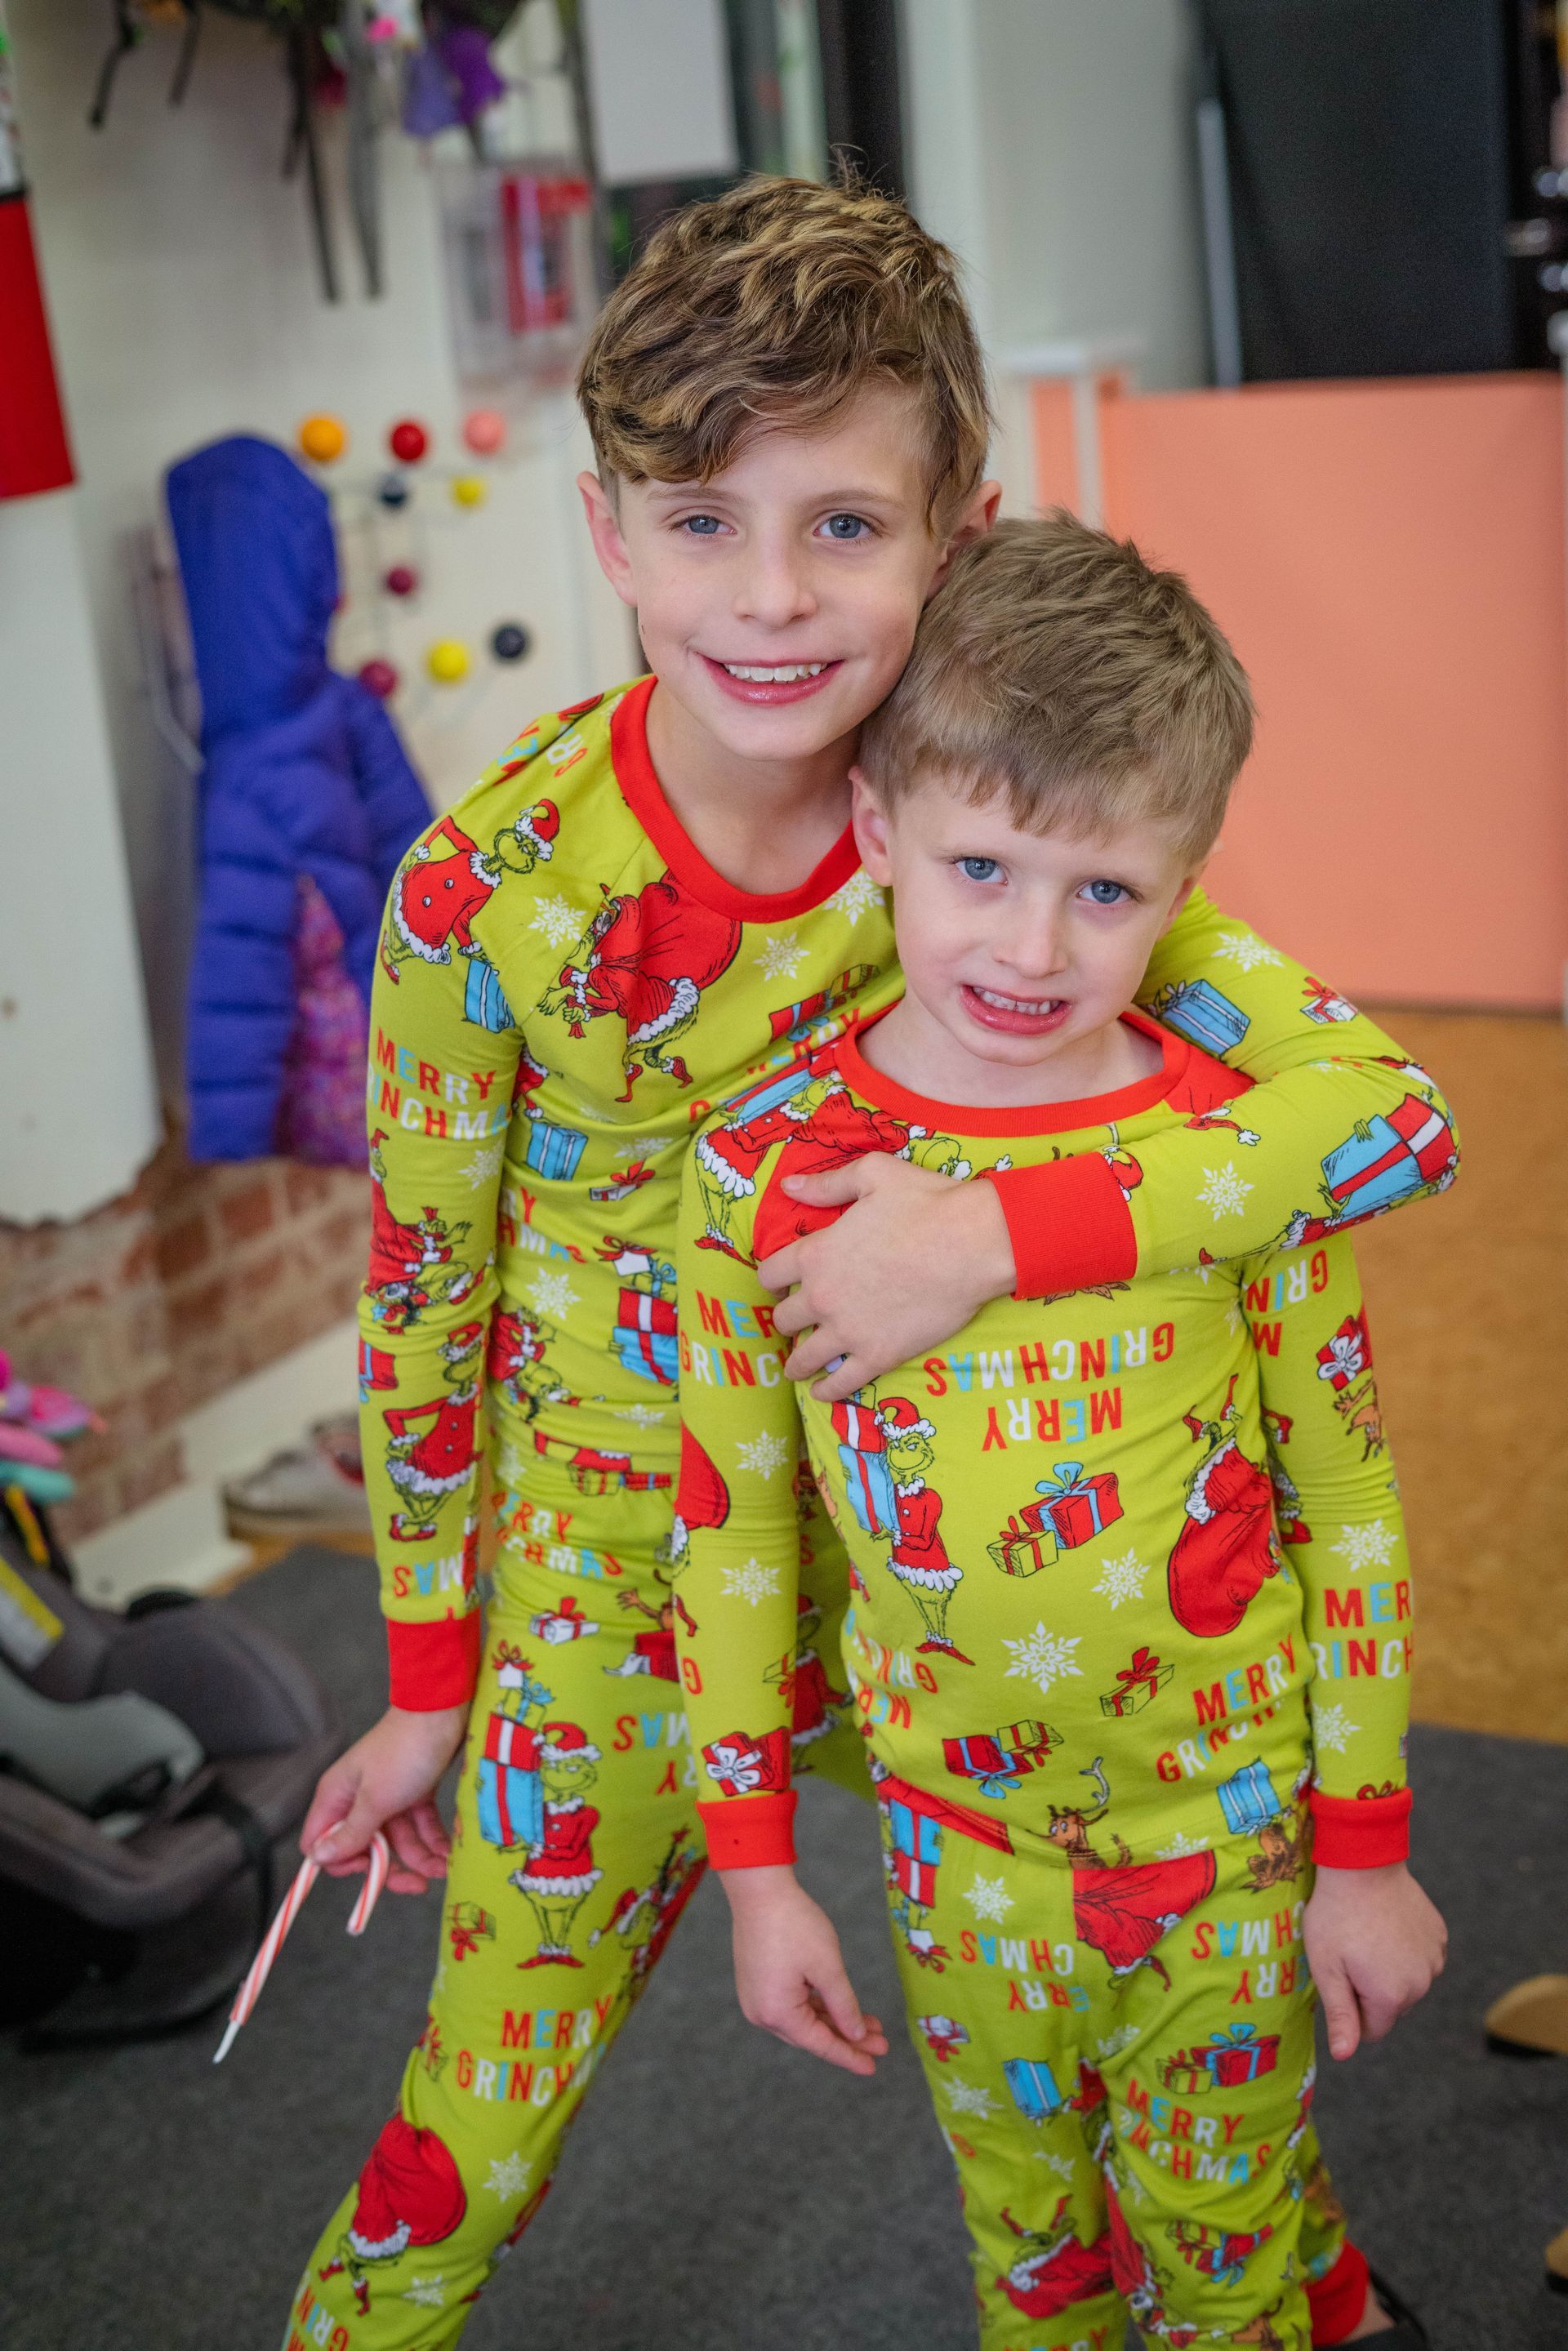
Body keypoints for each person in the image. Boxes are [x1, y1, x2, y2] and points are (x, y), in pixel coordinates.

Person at [283, 176, 1456, 2347]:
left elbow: (1376, 1111)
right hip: (643, 1563)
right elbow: (420, 1299)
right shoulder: (486, 894)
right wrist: (431, 1680)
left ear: (961, 535)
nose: (771, 598)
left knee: (1160, 2038)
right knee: (488, 2098)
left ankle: (1300, 2287)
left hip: (989, 1574)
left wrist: (996, 1230)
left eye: (844, 527)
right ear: (611, 533)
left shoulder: (985, 825)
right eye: (705, 522)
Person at [673, 515, 1449, 2351]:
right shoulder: (764, 1173)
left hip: (1234, 1821)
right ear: (876, 836)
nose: (1031, 947)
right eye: (980, 867)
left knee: (1225, 2244)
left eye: (1105, 893)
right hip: (955, 1848)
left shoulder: (1232, 1163)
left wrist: (1367, 1844)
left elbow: (1343, 1498)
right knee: (1034, 2260)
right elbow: (729, 1534)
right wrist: (758, 1871)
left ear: (1185, 885)